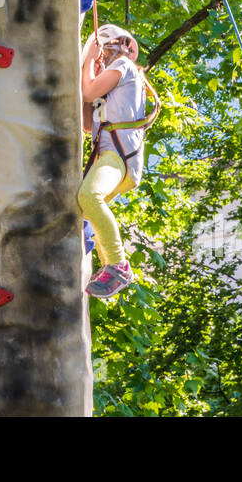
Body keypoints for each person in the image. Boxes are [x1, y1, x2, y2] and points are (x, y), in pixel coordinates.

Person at [78, 23, 156, 297]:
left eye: (102, 54)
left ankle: (118, 265)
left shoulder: (124, 65)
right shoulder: (116, 84)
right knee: (84, 208)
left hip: (117, 156)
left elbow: (88, 92)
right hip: (114, 158)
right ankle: (108, 264)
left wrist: (89, 60)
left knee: (89, 196)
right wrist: (91, 75)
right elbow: (87, 125)